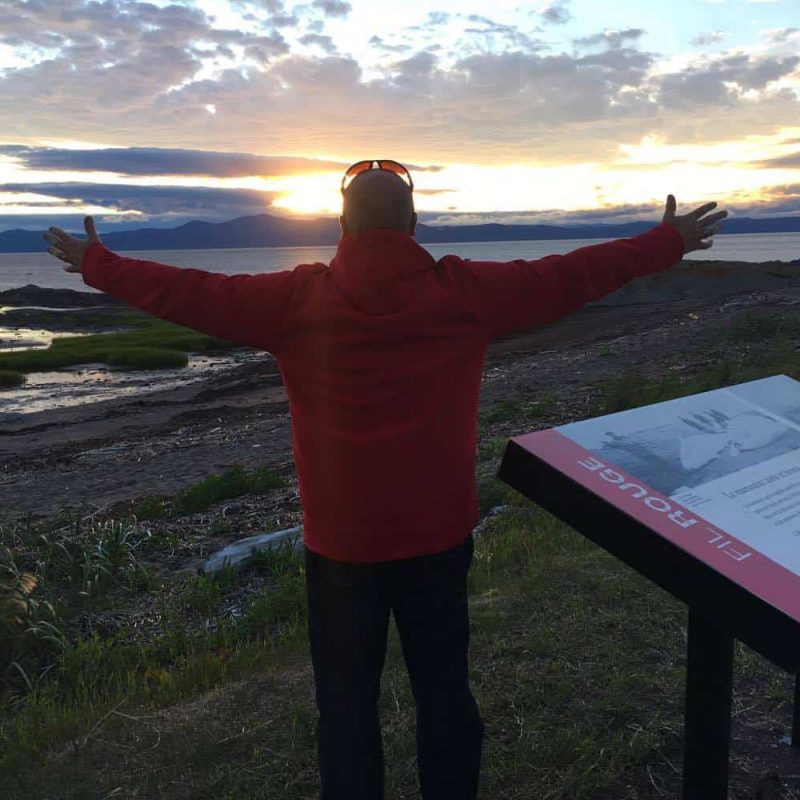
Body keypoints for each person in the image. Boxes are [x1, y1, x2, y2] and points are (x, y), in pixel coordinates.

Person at [43, 160, 727, 799]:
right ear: (414, 224)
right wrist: (664, 242)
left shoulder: (293, 299)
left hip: (341, 547)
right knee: (444, 693)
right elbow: (569, 275)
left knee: (345, 707)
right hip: (438, 537)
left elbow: (190, 292)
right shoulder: (464, 293)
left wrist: (99, 264)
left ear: (342, 225)